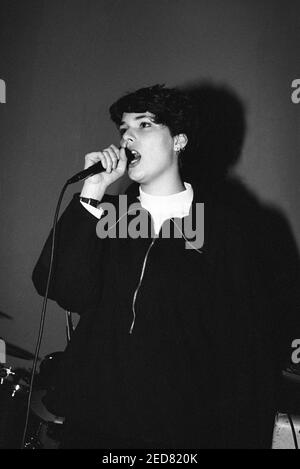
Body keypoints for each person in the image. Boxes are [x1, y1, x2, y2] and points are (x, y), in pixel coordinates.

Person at [32, 84, 299, 449]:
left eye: (144, 125)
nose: (128, 138)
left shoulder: (221, 226)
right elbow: (62, 288)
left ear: (179, 141)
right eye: (123, 129)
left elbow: (245, 345)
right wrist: (91, 194)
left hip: (180, 425)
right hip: (96, 416)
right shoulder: (110, 214)